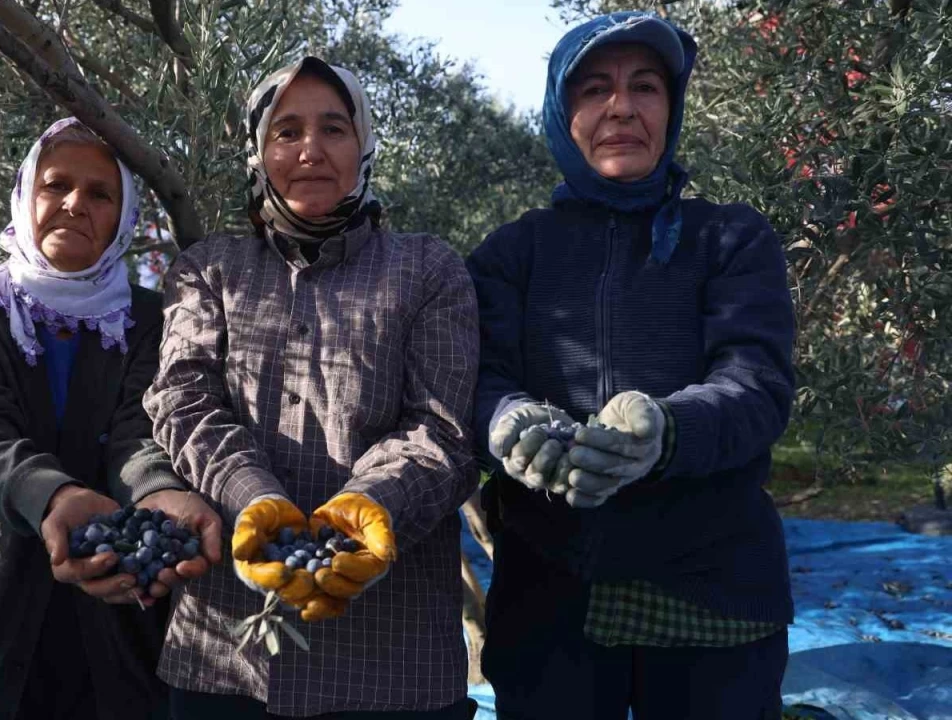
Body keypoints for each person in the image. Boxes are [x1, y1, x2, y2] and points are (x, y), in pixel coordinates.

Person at [467, 12, 796, 720]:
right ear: (562, 111)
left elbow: (757, 384)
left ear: (672, 111)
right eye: (594, 89)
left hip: (713, 599)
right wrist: (505, 420)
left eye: (645, 87)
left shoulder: (731, 239)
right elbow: (477, 376)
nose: (621, 106)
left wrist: (664, 430)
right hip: (551, 605)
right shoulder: (511, 254)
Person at [143, 57, 480, 719]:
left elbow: (442, 428)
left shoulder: (429, 269)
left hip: (393, 664)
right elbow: (183, 401)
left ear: (364, 145)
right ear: (259, 151)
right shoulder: (209, 270)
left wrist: (365, 508)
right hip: (227, 655)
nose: (310, 150)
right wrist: (253, 498)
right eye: (286, 131)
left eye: (333, 128)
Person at [0, 117, 223, 719]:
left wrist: (157, 491)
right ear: (27, 196)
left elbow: (140, 430)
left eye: (101, 194)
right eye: (56, 185)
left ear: (124, 220)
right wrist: (49, 499)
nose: (75, 204)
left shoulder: (152, 321)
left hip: (117, 629)